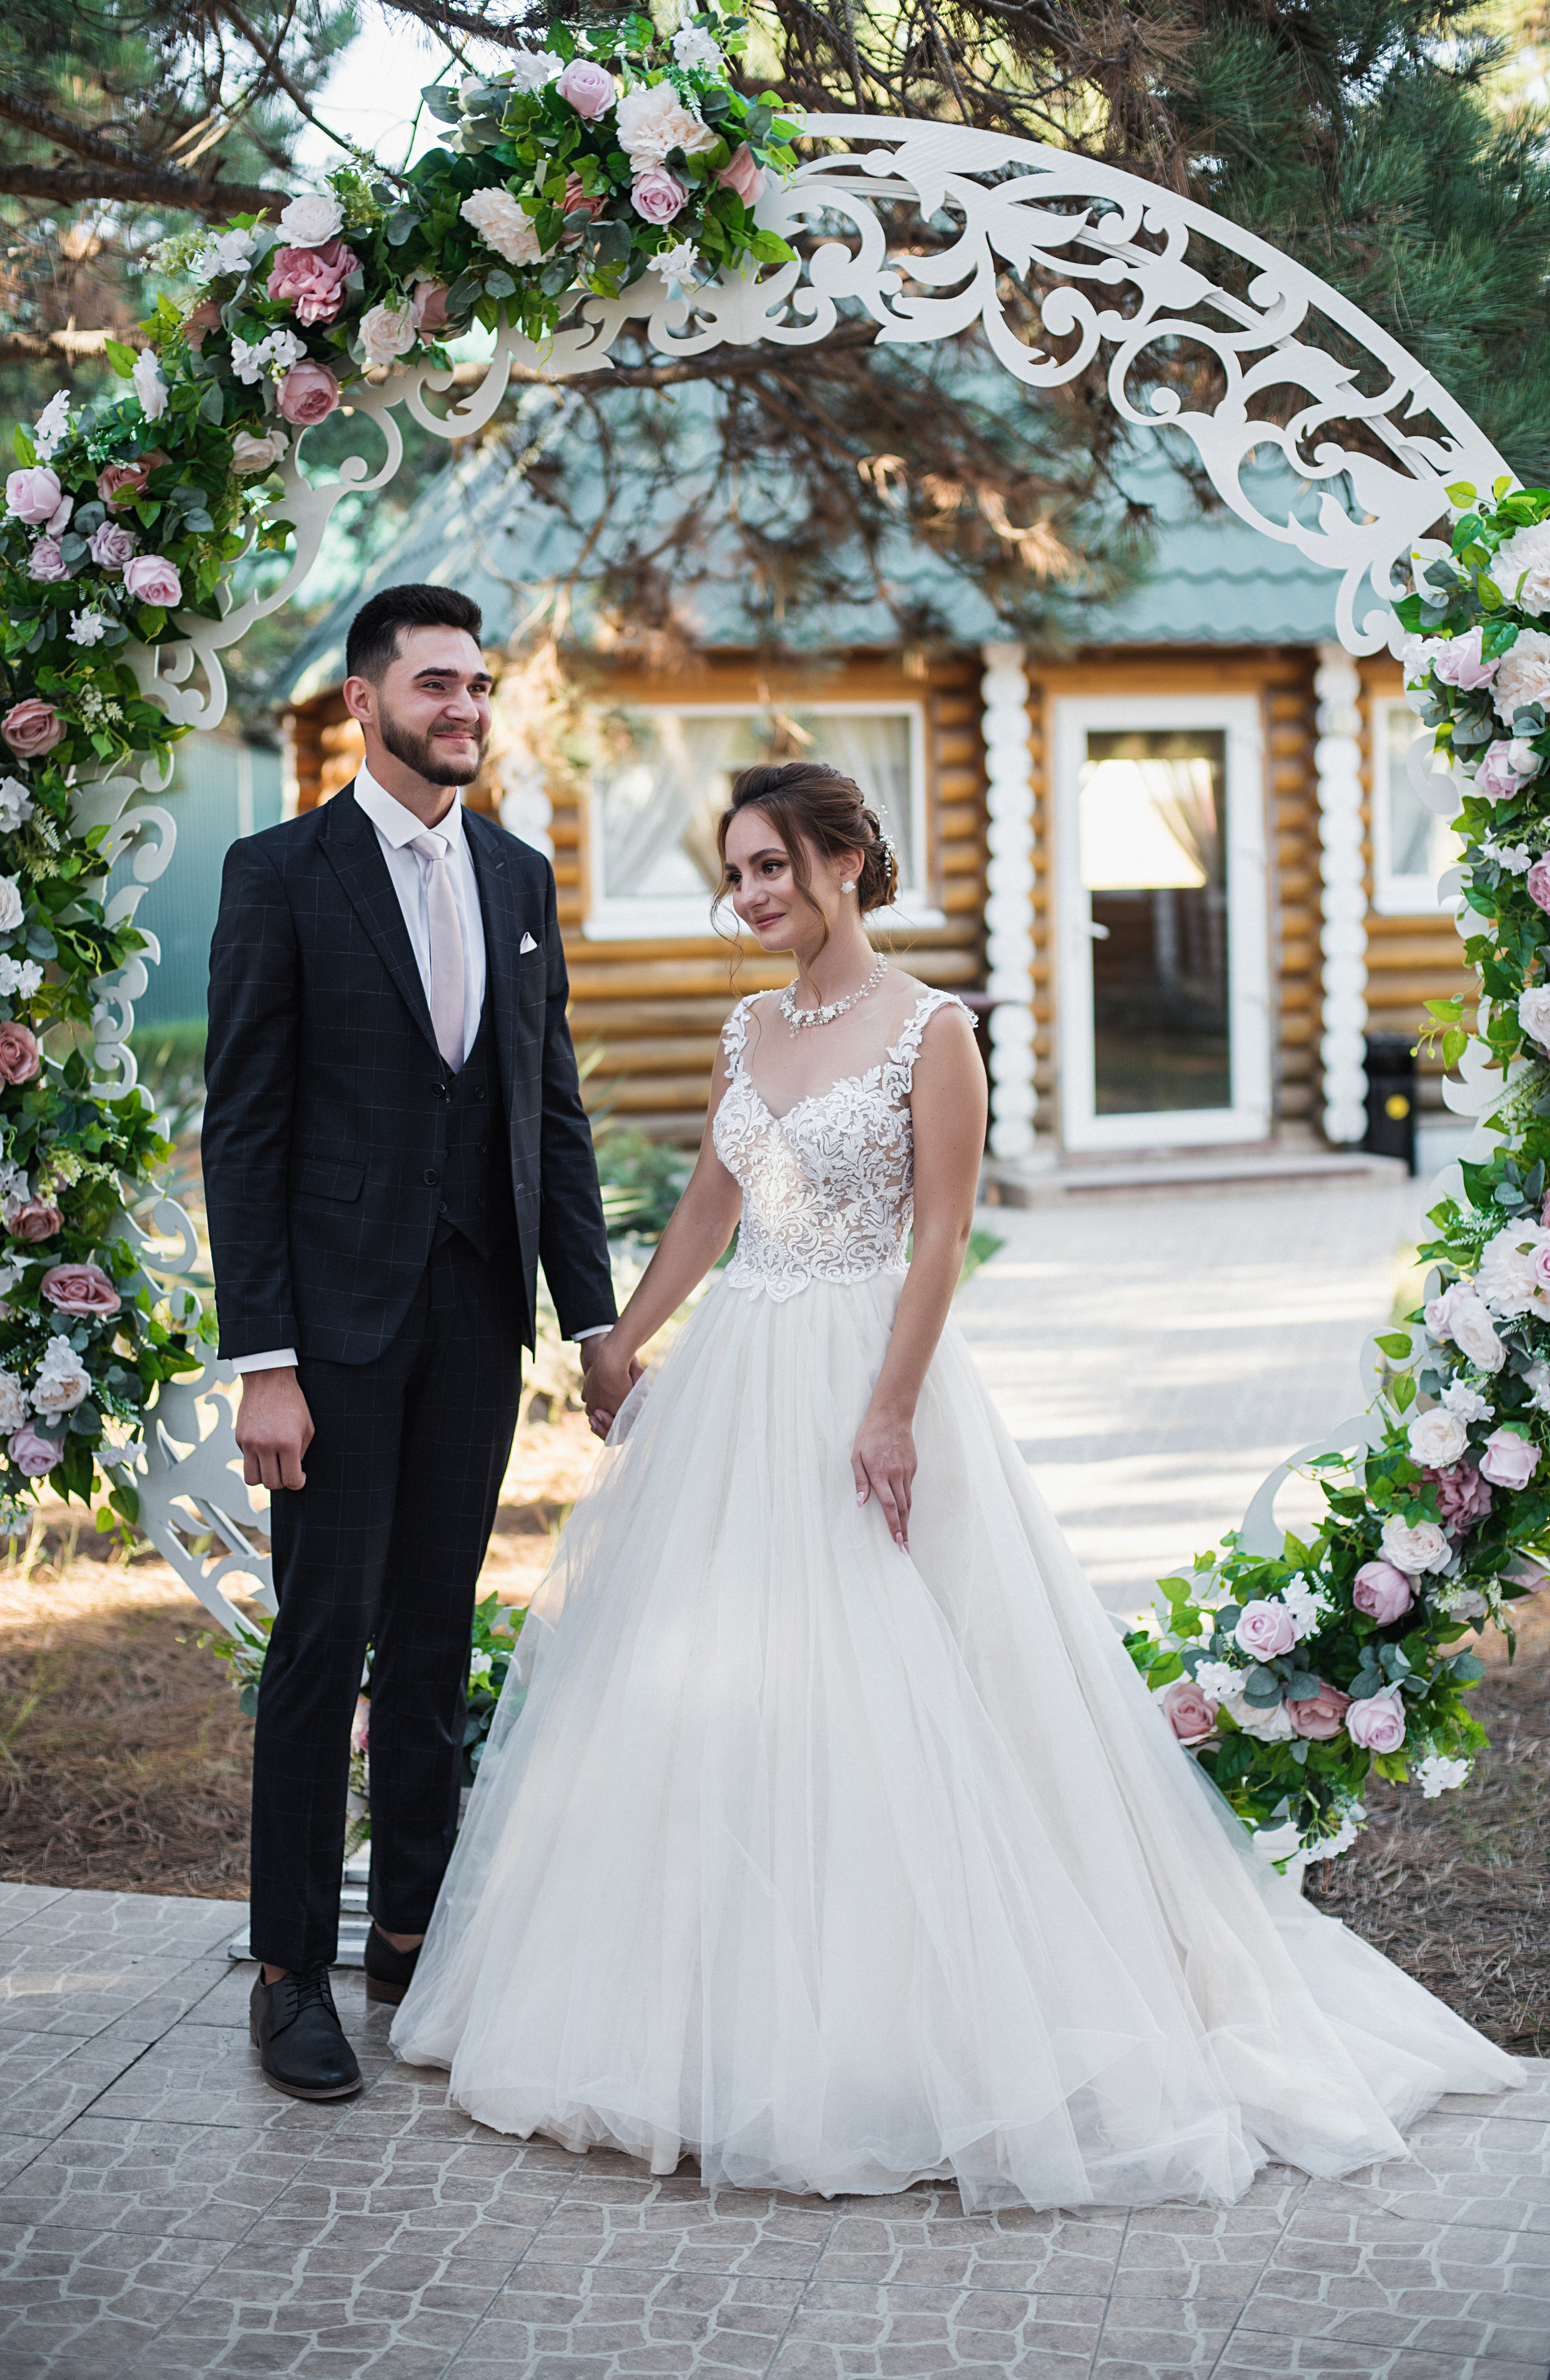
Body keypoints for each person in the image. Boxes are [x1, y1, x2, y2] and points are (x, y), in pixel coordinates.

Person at [390, 758, 1519, 2211]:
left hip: (870, 1370)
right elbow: (706, 1213)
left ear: (849, 863)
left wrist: (889, 1410)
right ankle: (715, 2017)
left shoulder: (931, 1032)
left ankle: (907, 2029)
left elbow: (937, 1241)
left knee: (905, 1690)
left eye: (774, 866)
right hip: (738, 1375)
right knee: (726, 1691)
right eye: (734, 870)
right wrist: (616, 1341)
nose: (752, 894)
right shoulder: (744, 1031)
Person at [202, 583, 618, 2101]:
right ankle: (289, 1969)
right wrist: (266, 1361)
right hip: (333, 1329)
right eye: (435, 683)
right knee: (323, 1648)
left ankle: (414, 1938)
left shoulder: (516, 876)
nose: (464, 708)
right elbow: (241, 1131)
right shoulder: (280, 872)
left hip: (472, 1316)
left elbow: (545, 1110)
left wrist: (595, 1317)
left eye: (478, 686)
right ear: (367, 698)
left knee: (437, 1646)